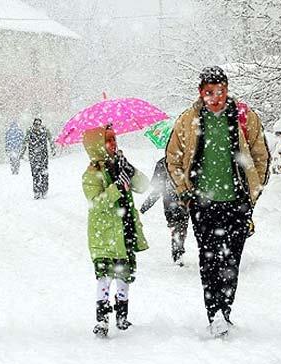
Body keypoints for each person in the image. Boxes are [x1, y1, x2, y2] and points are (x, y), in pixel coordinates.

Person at [165, 66, 270, 337]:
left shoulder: (243, 117)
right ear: (201, 93)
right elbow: (173, 158)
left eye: (221, 91)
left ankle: (226, 309)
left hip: (236, 202)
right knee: (209, 259)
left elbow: (260, 153)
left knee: (232, 259)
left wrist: (252, 190)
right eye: (210, 92)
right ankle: (214, 313)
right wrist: (184, 189)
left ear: (227, 90)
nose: (216, 97)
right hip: (202, 204)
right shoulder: (189, 120)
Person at [81, 125, 150, 337]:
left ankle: (122, 316)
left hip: (125, 228)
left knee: (124, 275)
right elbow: (96, 202)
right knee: (104, 276)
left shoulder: (120, 166)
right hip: (105, 234)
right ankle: (102, 319)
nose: (113, 143)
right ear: (97, 146)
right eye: (108, 140)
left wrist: (129, 170)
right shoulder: (91, 174)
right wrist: (116, 189)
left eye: (114, 139)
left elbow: (143, 185)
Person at [139, 156, 189, 266]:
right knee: (180, 227)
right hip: (181, 203)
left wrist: (145, 207)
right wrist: (145, 207)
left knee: (177, 227)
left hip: (171, 204)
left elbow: (157, 190)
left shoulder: (162, 163)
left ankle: (177, 251)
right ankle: (178, 252)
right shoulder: (186, 161)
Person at [20, 118, 55, 199]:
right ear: (33, 124)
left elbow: (50, 139)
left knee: (44, 173)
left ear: (41, 124)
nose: (37, 126)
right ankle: (36, 191)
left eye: (38, 124)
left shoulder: (45, 130)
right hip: (33, 156)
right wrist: (22, 153)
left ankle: (44, 190)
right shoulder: (29, 131)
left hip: (43, 156)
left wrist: (53, 148)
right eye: (36, 124)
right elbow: (24, 142)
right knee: (35, 174)